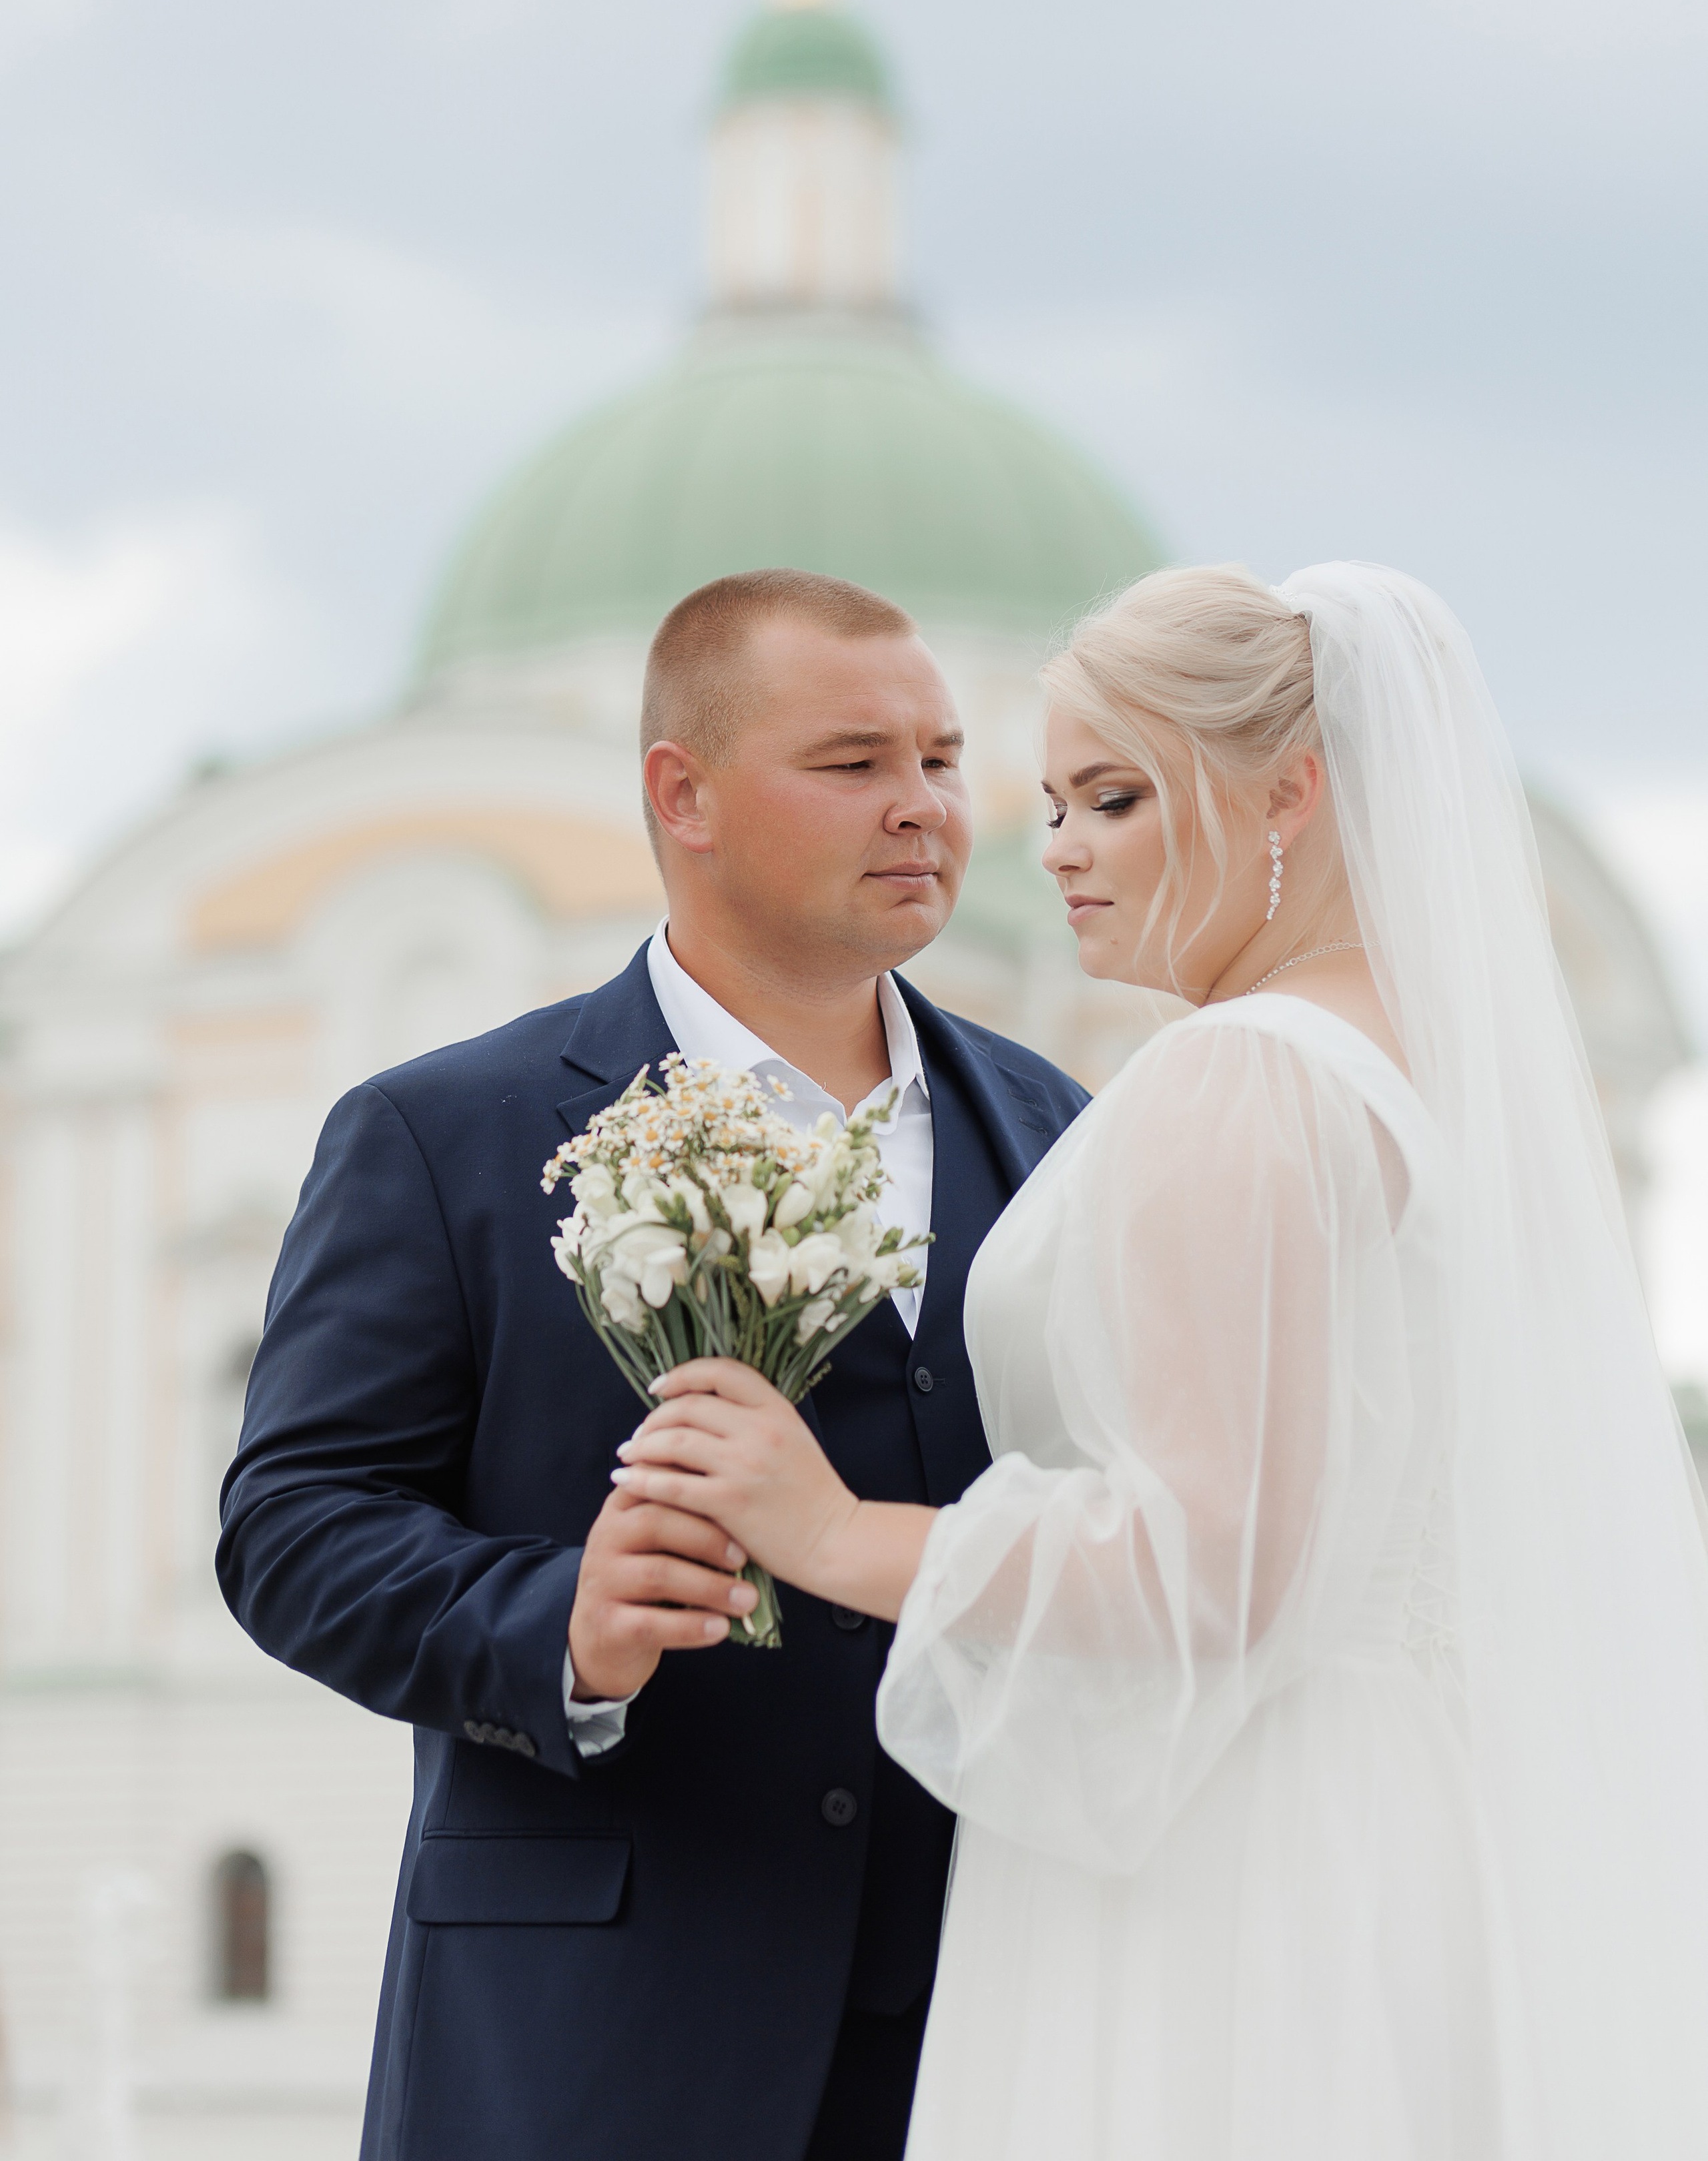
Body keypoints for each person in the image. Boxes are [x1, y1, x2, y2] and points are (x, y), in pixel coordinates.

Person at [614, 562, 1708, 2160]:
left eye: (1112, 799)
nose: (1053, 851)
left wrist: (828, 1531)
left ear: (1290, 793)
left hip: (1238, 1852)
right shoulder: (1430, 1079)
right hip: (1418, 1829)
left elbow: (1210, 1568)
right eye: (1049, 802)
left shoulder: (1245, 1077)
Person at [216, 568, 1088, 2161]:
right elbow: (292, 1529)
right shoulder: (443, 1134)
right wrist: (561, 1624)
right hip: (591, 2041)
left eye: (945, 760)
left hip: (995, 2019)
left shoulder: (1059, 1136)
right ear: (677, 794)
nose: (924, 810)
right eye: (854, 765)